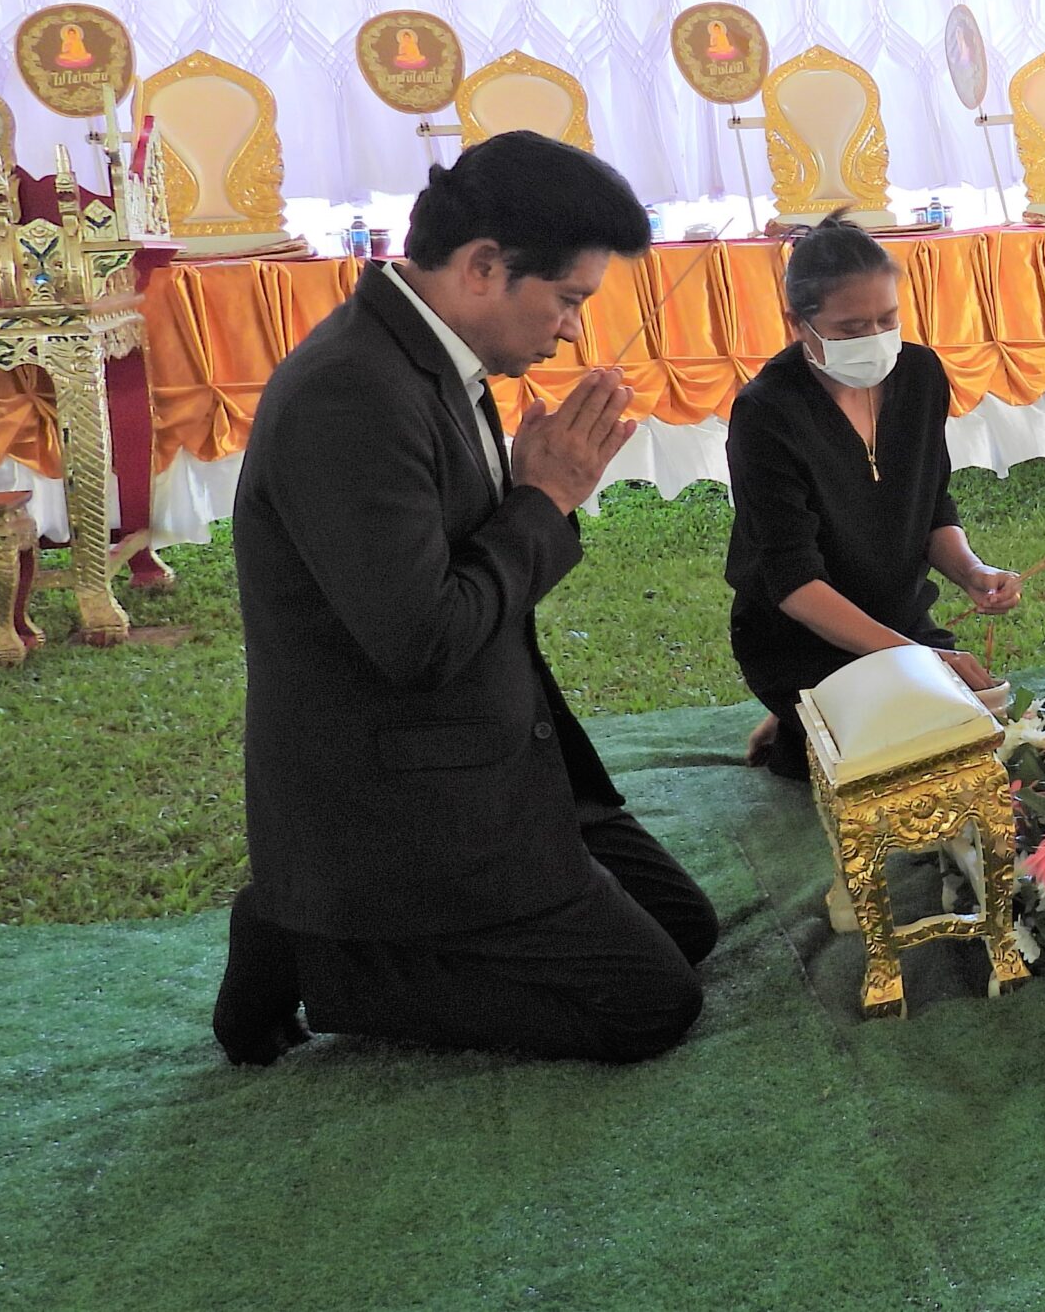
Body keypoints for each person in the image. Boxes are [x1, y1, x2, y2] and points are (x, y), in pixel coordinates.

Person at [211, 131, 718, 1066]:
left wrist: (531, 493)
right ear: (484, 266)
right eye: (568, 299)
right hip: (399, 797)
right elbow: (425, 640)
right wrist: (543, 500)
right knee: (648, 1005)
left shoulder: (432, 354)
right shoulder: (351, 393)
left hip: (494, 750)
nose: (574, 331)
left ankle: (319, 920)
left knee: (685, 924)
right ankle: (312, 946)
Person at [727, 211, 1020, 775]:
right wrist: (922, 661)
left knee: (981, 736)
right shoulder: (766, 411)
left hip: (899, 621)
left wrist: (972, 572)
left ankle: (809, 723)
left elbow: (932, 505)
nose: (875, 339)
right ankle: (800, 718)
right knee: (907, 761)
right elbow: (793, 583)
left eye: (887, 320)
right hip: (797, 636)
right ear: (798, 325)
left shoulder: (921, 374)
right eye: (850, 329)